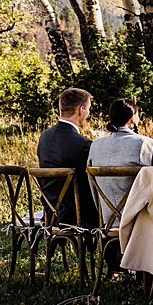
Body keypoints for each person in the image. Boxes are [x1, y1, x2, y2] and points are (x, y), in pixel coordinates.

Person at [35, 87, 98, 229]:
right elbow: (88, 183)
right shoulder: (82, 144)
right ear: (81, 110)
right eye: (88, 109)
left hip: (50, 212)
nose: (88, 113)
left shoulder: (45, 136)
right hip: (76, 216)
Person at [87, 98, 153, 215]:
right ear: (133, 118)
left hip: (106, 220)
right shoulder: (143, 143)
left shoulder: (95, 146)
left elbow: (93, 190)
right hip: (138, 221)